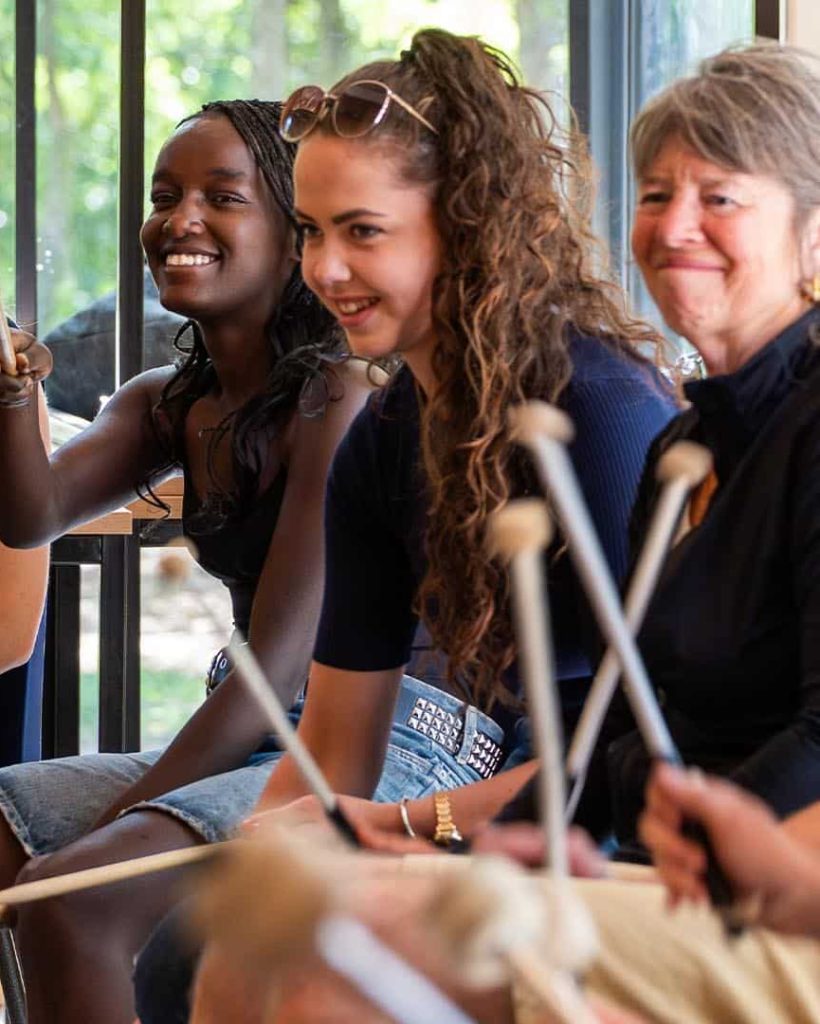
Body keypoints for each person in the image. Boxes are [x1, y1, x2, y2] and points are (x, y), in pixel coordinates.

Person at [161, 25, 675, 1024]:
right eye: (309, 230)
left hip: (616, 837)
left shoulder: (603, 417)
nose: (323, 268)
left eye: (363, 231)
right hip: (503, 816)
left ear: (464, 226)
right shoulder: (384, 437)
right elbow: (334, 747)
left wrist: (395, 823)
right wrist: (274, 859)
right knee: (209, 953)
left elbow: (639, 758)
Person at [0, 99, 379, 1024]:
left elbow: (279, 668)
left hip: (379, 734)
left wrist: (116, 823)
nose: (181, 220)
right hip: (267, 720)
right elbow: (30, 513)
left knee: (67, 896)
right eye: (164, 195)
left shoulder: (339, 395)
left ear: (293, 235)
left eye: (222, 196)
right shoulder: (169, 401)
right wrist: (12, 385)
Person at [605, 41, 820, 844]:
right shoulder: (679, 449)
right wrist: (487, 840)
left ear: (814, 234)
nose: (674, 227)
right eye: (655, 195)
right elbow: (625, 734)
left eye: (720, 198)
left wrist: (685, 850)